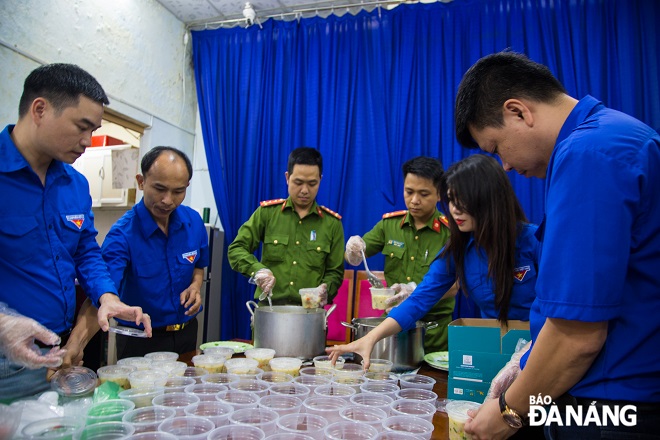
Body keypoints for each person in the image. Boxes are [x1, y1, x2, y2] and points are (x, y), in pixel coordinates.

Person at [454, 51, 660, 438]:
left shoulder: (588, 155)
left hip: (610, 410)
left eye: (496, 148)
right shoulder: (615, 136)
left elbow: (577, 335)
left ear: (518, 111)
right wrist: (528, 361)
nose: (507, 167)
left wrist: (509, 413)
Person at [0, 63, 151, 402]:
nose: (88, 141)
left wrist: (106, 296)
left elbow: (85, 250)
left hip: (63, 352)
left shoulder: (75, 184)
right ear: (40, 109)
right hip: (5, 362)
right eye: (82, 127)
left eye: (94, 130)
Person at [327, 154, 539, 367]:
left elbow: (558, 312)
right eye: (452, 200)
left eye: (464, 200)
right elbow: (420, 299)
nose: (455, 209)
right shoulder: (459, 248)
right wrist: (370, 339)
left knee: (537, 401)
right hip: (494, 348)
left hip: (541, 348)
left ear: (488, 198)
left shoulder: (534, 241)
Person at [102, 146, 209, 359]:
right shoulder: (122, 235)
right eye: (159, 189)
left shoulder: (193, 222)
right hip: (141, 340)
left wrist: (196, 286)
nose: (168, 200)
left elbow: (199, 265)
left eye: (178, 191)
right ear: (141, 181)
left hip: (187, 332)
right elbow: (104, 291)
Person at [343, 156, 458, 352]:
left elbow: (455, 286)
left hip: (433, 334)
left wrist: (415, 292)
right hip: (393, 330)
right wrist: (352, 251)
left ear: (439, 194)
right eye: (409, 192)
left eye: (423, 194)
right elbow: (355, 255)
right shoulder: (389, 225)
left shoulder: (452, 232)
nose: (414, 201)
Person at [228, 147, 344, 306]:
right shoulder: (267, 214)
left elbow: (335, 272)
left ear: (320, 180)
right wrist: (258, 270)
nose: (304, 190)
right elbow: (236, 249)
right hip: (269, 312)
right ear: (287, 178)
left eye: (312, 184)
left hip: (309, 315)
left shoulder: (332, 224)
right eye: (298, 182)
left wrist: (326, 288)